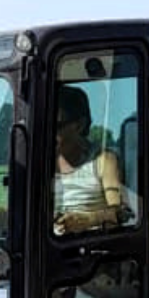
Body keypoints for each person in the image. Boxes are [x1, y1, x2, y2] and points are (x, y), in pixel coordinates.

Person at [51, 85, 131, 235]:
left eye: (56, 126)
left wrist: (89, 220)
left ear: (79, 125)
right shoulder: (41, 163)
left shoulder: (103, 161)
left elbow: (122, 213)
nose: (48, 133)